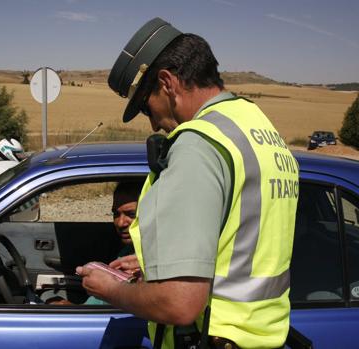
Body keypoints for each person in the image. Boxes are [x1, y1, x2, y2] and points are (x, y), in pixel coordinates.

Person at [76, 18, 299, 349]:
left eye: (145, 107)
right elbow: (241, 244)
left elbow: (180, 304)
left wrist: (110, 288)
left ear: (167, 83)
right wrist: (157, 263)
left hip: (211, 338)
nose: (152, 124)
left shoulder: (198, 144)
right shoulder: (255, 126)